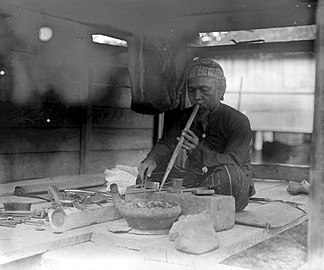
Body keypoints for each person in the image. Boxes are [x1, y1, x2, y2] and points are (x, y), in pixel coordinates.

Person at [137, 57, 255, 212]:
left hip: (229, 183)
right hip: (195, 179)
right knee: (147, 175)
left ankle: (188, 202)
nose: (197, 97)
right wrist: (151, 160)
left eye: (204, 90)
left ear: (221, 90)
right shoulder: (184, 117)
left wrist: (198, 150)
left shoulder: (238, 121)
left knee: (228, 176)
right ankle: (191, 202)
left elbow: (234, 162)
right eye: (191, 91)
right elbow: (167, 143)